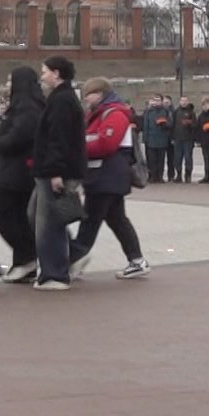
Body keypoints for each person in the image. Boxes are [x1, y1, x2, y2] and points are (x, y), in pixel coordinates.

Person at [70, 77, 149, 279]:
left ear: (101, 94)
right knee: (116, 219)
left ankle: (74, 259)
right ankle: (137, 260)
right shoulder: (96, 115)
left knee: (91, 220)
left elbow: (106, 143)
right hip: (106, 177)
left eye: (90, 93)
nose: (86, 98)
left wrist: (79, 148)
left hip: (106, 177)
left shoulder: (115, 114)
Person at [31, 55, 87, 291]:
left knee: (49, 223)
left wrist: (55, 172)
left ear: (56, 73)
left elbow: (58, 139)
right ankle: (70, 257)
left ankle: (55, 273)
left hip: (57, 171)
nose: (42, 77)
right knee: (37, 215)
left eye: (44, 72)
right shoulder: (62, 98)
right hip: (57, 168)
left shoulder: (61, 101)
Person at [0, 66, 45, 282]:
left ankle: (27, 256)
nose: (7, 85)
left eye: (10, 81)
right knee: (20, 217)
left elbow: (16, 138)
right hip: (18, 169)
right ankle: (24, 262)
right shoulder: (26, 107)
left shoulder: (27, 110)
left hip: (18, 171)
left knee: (4, 215)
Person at [142, 95, 172, 184]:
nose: (156, 102)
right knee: (151, 159)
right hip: (151, 138)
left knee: (161, 159)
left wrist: (164, 124)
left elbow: (170, 124)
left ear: (162, 101)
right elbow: (145, 126)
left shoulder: (165, 111)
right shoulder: (149, 111)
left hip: (162, 138)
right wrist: (145, 138)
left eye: (158, 100)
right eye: (155, 100)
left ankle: (160, 177)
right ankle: (152, 176)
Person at [171, 96, 197, 185]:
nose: (184, 102)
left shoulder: (191, 112)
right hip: (178, 139)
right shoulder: (176, 112)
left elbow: (195, 125)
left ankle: (188, 175)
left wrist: (189, 124)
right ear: (179, 102)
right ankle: (178, 175)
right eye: (182, 101)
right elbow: (172, 125)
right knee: (177, 158)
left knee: (188, 158)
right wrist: (172, 137)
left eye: (185, 101)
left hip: (188, 139)